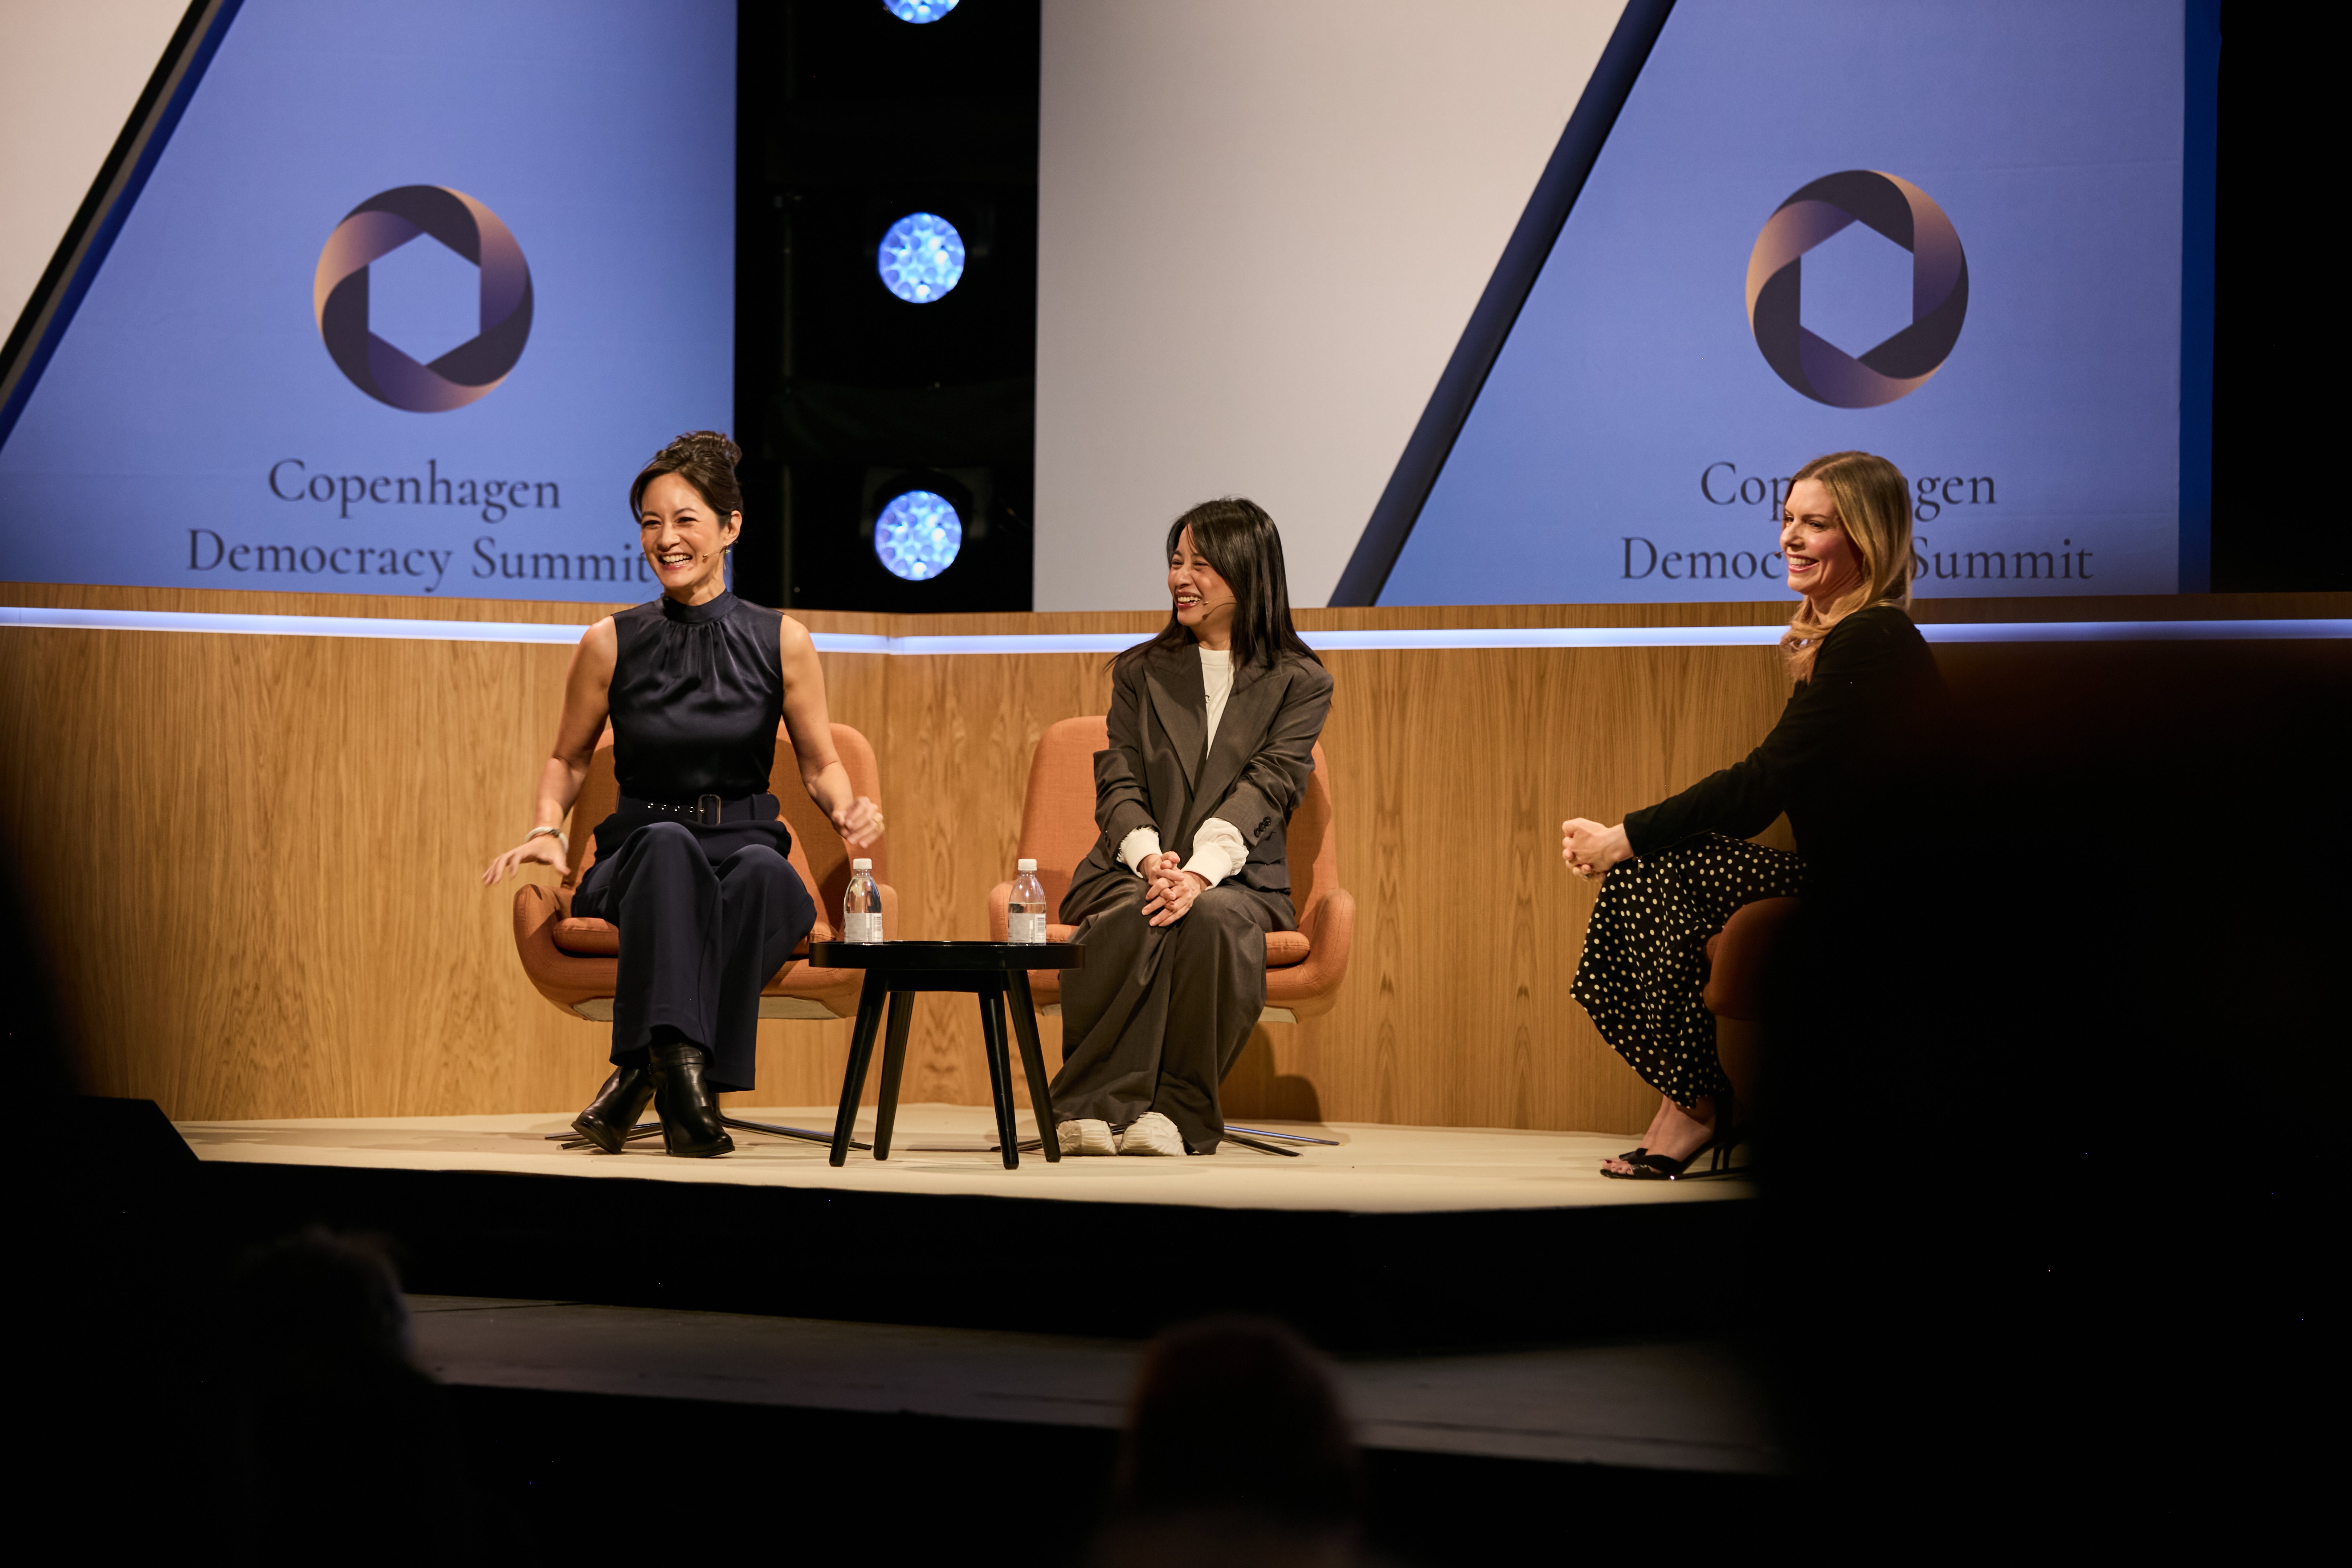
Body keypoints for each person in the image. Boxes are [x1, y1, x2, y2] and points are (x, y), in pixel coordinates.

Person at [481, 432, 881, 1156]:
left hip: (747, 847)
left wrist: (845, 806)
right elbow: (568, 758)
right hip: (641, 852)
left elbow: (821, 762)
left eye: (685, 520)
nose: (666, 539)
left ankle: (645, 1071)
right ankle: (692, 1090)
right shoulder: (611, 640)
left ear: (730, 528)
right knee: (670, 849)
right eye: (650, 522)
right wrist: (546, 824)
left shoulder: (782, 639)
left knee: (768, 875)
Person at [1559, 450, 1949, 1179]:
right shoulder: (1844, 640)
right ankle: (1694, 1103)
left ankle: (1697, 1108)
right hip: (1835, 875)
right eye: (1788, 521)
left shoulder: (1873, 640)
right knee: (1651, 875)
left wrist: (1623, 837)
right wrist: (1630, 844)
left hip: (1890, 894)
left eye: (1817, 525)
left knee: (1649, 869)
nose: (1792, 540)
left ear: (1866, 538)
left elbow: (1763, 785)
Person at [1050, 499, 1332, 1157]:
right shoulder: (1139, 672)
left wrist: (1200, 875)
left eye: (1200, 565)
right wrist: (1155, 864)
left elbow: (1270, 782)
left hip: (1237, 880)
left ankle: (1175, 1113)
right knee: (1135, 916)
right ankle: (1091, 1105)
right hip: (1134, 868)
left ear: (1247, 572)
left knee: (1209, 921)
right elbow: (1118, 782)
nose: (1182, 577)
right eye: (1176, 562)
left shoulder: (1301, 680)